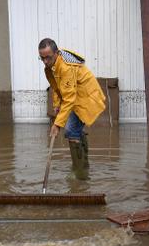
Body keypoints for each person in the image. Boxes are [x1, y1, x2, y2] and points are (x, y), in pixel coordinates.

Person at [38, 38, 105, 180]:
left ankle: (79, 173)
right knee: (75, 130)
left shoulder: (66, 67)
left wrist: (57, 124)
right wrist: (56, 105)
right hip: (76, 96)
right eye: (42, 58)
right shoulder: (51, 66)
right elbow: (56, 88)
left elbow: (69, 98)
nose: (44, 61)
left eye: (47, 57)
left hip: (86, 98)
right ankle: (83, 166)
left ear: (56, 53)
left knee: (70, 130)